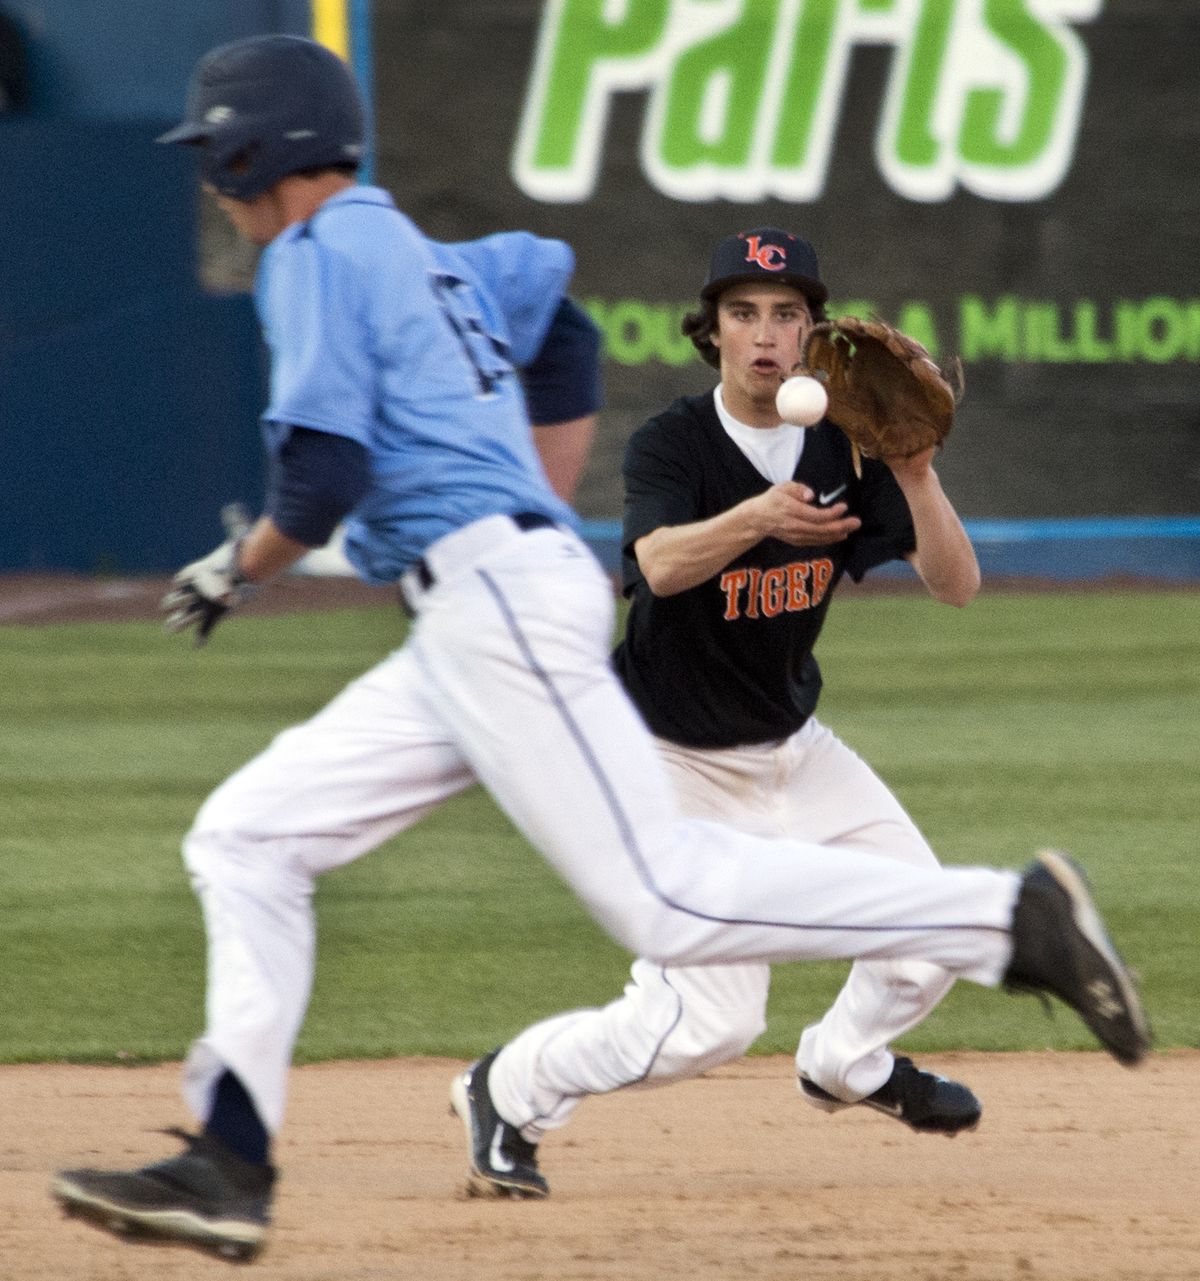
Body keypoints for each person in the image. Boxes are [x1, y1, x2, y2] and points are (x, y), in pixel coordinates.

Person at [51, 36, 1149, 1262]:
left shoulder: (311, 253)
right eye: (747, 313)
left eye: (218, 152)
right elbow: (557, 312)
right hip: (508, 617)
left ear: (262, 148)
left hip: (501, 604)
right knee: (247, 835)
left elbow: (317, 477)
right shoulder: (421, 253)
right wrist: (536, 497)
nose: (214, 177)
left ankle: (1004, 919)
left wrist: (231, 570)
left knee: (667, 899)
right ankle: (229, 1160)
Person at [447, 228, 989, 1200]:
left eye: (786, 314)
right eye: (744, 314)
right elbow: (655, 564)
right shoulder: (676, 443)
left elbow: (957, 585)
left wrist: (914, 473)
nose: (766, 334)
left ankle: (846, 1063)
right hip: (668, 761)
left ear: (816, 335)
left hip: (794, 750)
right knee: (705, 1027)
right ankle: (507, 1086)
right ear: (713, 333)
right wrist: (758, 519)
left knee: (933, 931)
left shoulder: (848, 447)